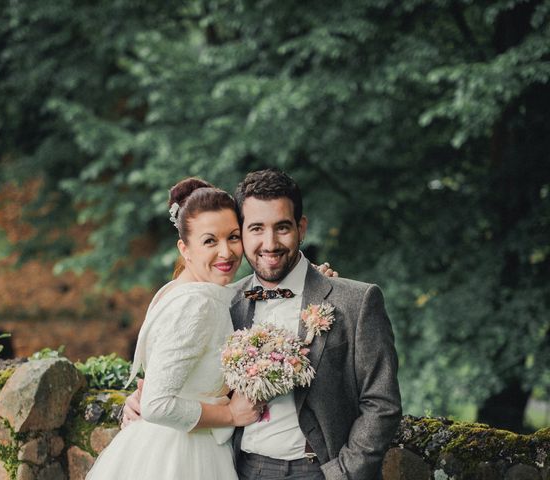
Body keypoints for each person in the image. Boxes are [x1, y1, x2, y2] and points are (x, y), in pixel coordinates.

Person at [124, 168, 402, 480]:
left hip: (320, 470)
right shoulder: (225, 301)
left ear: (301, 228)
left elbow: (381, 404)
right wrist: (139, 403)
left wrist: (342, 473)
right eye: (255, 229)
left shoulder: (355, 301)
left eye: (282, 228)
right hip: (240, 470)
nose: (269, 244)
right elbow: (184, 379)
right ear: (242, 232)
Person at [86, 178, 263, 480]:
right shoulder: (196, 304)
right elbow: (156, 404)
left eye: (233, 237)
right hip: (183, 455)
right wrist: (230, 414)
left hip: (160, 444)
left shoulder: (179, 291)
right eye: (210, 241)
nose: (227, 252)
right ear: (185, 248)